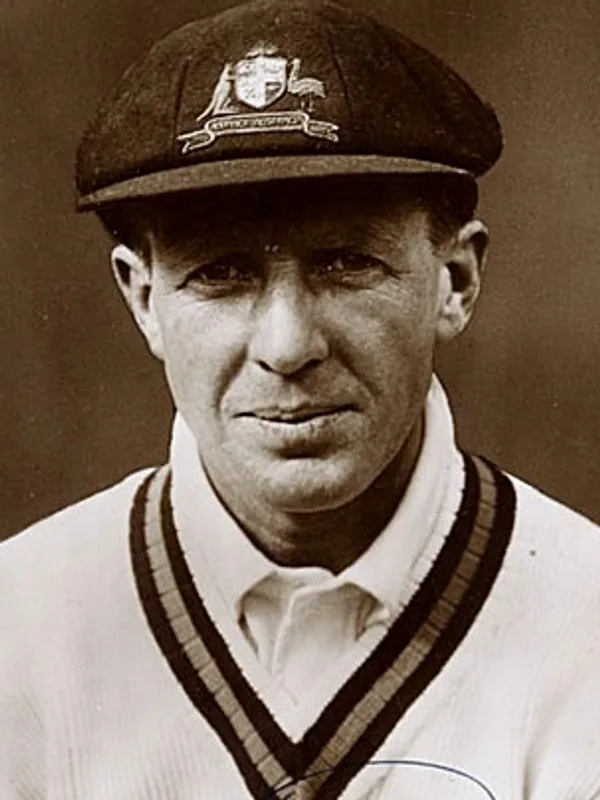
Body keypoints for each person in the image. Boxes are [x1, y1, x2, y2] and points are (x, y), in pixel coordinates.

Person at [2, 1, 600, 798]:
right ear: (144, 300)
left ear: (455, 281)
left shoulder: (585, 622)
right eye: (220, 273)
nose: (287, 347)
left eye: (347, 264)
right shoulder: (20, 628)